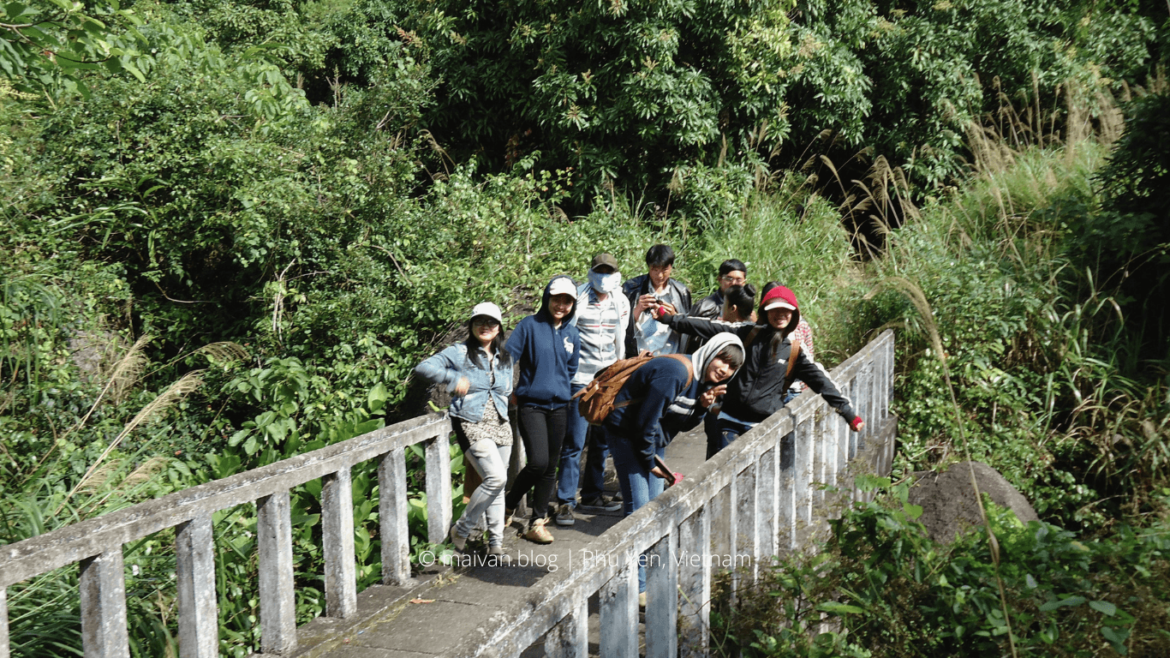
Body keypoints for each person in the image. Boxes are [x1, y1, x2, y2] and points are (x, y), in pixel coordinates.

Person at [603, 333, 745, 600]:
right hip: (626, 433)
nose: (724, 369)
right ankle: (635, 588)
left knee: (656, 508)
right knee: (639, 510)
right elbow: (646, 421)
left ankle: (646, 579)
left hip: (649, 440)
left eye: (732, 367)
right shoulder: (676, 372)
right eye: (722, 360)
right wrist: (650, 462)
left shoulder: (703, 381)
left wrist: (703, 407)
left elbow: (677, 426)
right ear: (710, 352)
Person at [656, 285, 863, 458]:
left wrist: (849, 414)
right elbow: (708, 327)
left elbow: (822, 382)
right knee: (719, 478)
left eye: (786, 311)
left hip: (763, 428)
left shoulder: (795, 351)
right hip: (728, 420)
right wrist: (670, 319)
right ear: (765, 312)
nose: (780, 315)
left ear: (793, 315)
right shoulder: (748, 333)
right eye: (775, 310)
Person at [413, 302, 513, 562]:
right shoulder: (459, 353)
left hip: (501, 422)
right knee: (496, 479)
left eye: (491, 322)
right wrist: (453, 379)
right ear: (471, 325)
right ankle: (462, 530)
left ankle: (496, 544)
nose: (485, 326)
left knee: (499, 487)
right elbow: (423, 367)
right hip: (470, 420)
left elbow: (507, 389)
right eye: (479, 321)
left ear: (499, 327)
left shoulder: (506, 357)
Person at [502, 275, 580, 544]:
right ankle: (509, 502)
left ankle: (537, 520)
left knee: (550, 466)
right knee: (537, 462)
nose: (561, 305)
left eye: (567, 301)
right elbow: (507, 358)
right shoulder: (529, 326)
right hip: (531, 404)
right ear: (547, 297)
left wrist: (560, 387)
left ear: (573, 304)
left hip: (560, 405)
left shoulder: (572, 333)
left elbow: (570, 369)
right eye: (557, 298)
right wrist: (503, 388)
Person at [555, 254, 631, 527]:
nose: (603, 275)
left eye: (608, 271)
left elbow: (619, 340)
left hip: (608, 380)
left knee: (602, 440)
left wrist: (619, 375)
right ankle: (565, 501)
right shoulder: (579, 298)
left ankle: (593, 494)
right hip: (580, 379)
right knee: (574, 442)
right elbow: (566, 334)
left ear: (616, 273)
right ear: (590, 271)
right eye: (599, 270)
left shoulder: (620, 300)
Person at [623, 244, 692, 356]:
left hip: (670, 356)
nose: (659, 275)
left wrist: (674, 318)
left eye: (665, 270)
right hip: (639, 356)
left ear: (671, 267)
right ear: (648, 266)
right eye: (655, 269)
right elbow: (620, 326)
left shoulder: (681, 292)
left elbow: (688, 332)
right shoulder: (631, 288)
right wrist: (638, 309)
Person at [760, 281, 816, 401]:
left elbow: (809, 360)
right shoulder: (757, 329)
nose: (780, 313)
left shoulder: (801, 326)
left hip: (794, 390)